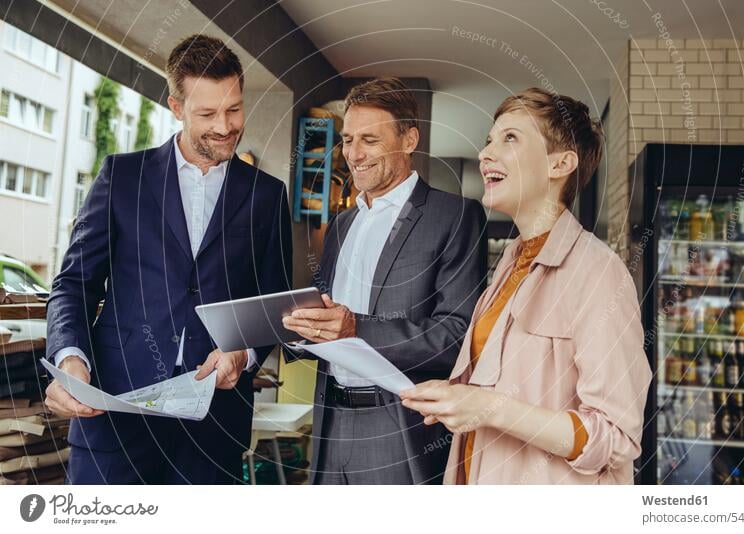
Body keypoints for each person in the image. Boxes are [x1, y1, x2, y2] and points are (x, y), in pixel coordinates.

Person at [45, 34, 292, 484]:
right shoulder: (121, 177)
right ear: (176, 107)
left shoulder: (268, 195)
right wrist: (69, 361)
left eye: (234, 109)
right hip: (112, 412)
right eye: (207, 113)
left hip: (214, 426)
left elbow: (273, 302)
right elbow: (73, 284)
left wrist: (247, 352)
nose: (225, 125)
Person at [401, 87, 652, 484]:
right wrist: (454, 396)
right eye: (489, 141)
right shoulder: (510, 265)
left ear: (560, 164)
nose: (485, 154)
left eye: (510, 138)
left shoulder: (597, 272)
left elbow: (615, 437)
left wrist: (488, 407)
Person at [282, 77, 486, 484]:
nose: (353, 154)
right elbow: (330, 320)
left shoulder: (455, 215)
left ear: (409, 139)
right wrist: (295, 329)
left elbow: (458, 335)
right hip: (329, 424)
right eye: (348, 139)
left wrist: (357, 328)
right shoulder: (340, 225)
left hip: (401, 429)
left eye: (369, 141)